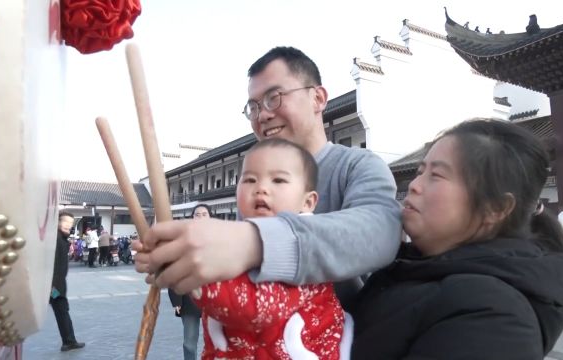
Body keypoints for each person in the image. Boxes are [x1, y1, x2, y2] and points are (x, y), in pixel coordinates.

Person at [135, 46, 401, 308]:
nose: (262, 115)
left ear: (318, 99)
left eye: (274, 97)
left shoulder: (356, 165)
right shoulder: (252, 182)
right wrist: (183, 263)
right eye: (253, 106)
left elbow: (381, 231)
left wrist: (254, 242)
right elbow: (238, 283)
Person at [350, 118, 563, 359]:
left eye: (436, 175)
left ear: (496, 207)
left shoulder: (494, 317)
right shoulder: (405, 268)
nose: (414, 185)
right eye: (419, 172)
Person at [193, 139, 352, 359]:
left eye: (278, 180)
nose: (261, 188)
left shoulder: (305, 250)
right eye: (249, 179)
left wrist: (198, 282)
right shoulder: (233, 240)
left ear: (308, 202)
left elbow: (259, 308)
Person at [168, 204, 212, 360]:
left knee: (216, 341)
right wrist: (176, 299)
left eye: (204, 214)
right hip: (189, 298)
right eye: (197, 214)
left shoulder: (220, 241)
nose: (200, 217)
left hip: (215, 299)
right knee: (189, 343)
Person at [50, 211, 85, 352]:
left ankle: (69, 341)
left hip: (55, 285)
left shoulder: (60, 238)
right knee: (62, 311)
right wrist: (55, 289)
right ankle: (69, 341)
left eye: (70, 223)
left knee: (62, 311)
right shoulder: (56, 239)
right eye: (65, 222)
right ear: (57, 222)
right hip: (54, 286)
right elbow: (52, 266)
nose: (68, 226)